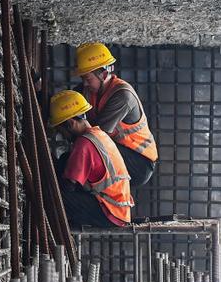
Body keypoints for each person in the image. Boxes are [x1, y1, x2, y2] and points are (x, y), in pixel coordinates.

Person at [74, 42, 157, 187]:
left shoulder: (122, 96)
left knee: (89, 146)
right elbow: (68, 102)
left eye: (87, 79)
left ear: (104, 74)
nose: (85, 84)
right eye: (83, 79)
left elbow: (98, 136)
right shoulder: (90, 88)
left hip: (138, 162)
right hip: (119, 149)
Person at [50, 90, 134, 228]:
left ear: (70, 123)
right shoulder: (98, 134)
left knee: (54, 198)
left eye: (61, 130)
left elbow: (68, 186)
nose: (62, 135)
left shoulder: (84, 144)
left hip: (109, 212)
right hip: (118, 210)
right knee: (65, 159)